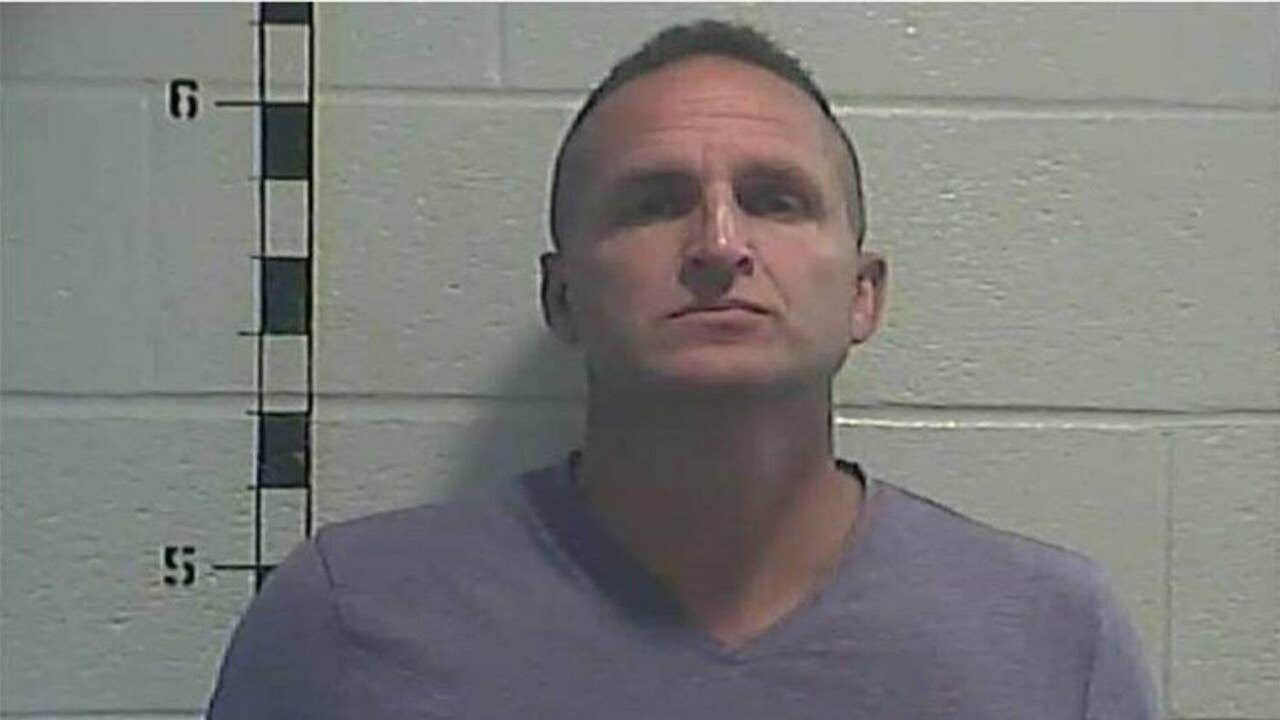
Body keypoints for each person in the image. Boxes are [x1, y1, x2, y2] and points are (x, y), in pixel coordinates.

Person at [206, 20, 1160, 719]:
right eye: (654, 202)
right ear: (563, 297)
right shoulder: (349, 621)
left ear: (862, 295)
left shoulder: (1050, 636)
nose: (718, 244)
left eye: (776, 200)